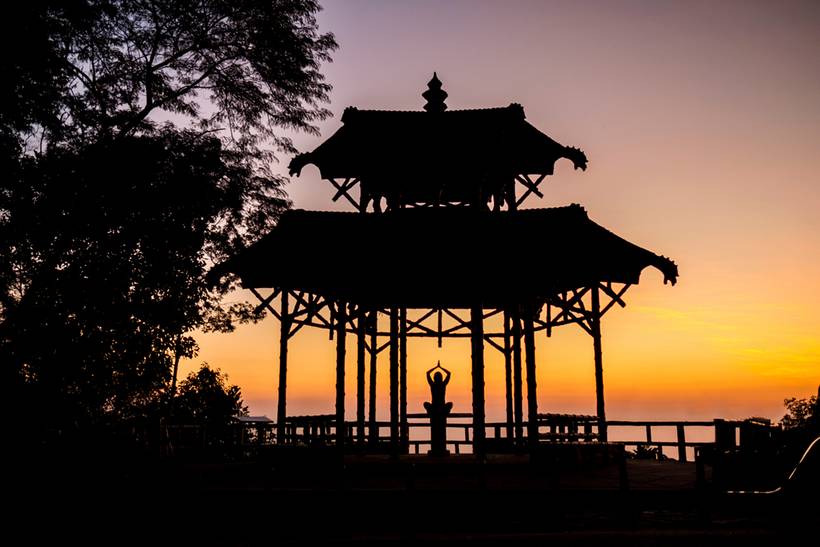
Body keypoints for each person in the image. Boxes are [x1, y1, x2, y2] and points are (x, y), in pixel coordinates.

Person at [424, 361, 452, 456]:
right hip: (441, 409)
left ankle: (431, 412)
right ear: (441, 378)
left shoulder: (433, 385)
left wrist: (436, 367)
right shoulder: (442, 384)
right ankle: (443, 412)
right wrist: (440, 367)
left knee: (427, 404)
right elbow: (449, 374)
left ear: (435, 378)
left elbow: (427, 373)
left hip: (435, 409)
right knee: (449, 404)